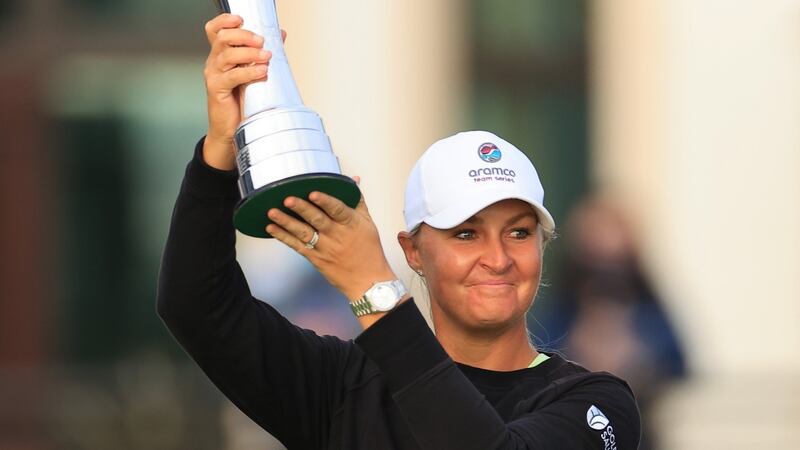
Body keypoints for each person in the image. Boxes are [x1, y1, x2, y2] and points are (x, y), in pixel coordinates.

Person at [157, 13, 640, 450]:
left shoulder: (594, 403)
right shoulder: (343, 385)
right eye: (466, 234)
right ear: (413, 251)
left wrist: (372, 287)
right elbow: (195, 304)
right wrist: (221, 146)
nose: (498, 257)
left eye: (518, 232)